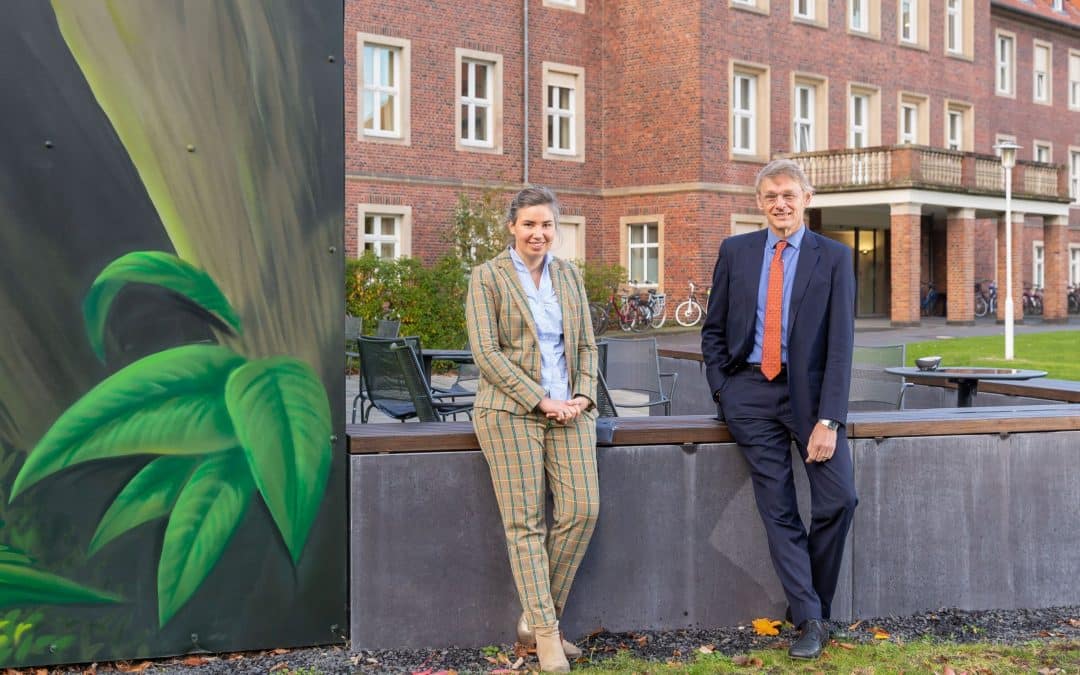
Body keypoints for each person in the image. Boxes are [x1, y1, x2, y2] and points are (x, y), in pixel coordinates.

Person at [701, 159, 856, 660]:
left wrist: (829, 420)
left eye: (789, 194)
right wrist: (724, 391)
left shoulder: (833, 258)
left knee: (839, 500)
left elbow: (840, 346)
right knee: (779, 511)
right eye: (770, 196)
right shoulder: (736, 251)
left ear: (807, 199)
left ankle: (810, 603)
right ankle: (811, 621)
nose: (780, 204)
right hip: (749, 396)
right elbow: (714, 329)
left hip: (811, 399)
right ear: (759, 202)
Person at [466, 186, 599, 673]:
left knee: (583, 510)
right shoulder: (487, 277)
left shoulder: (568, 275)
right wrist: (538, 399)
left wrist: (582, 396)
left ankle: (539, 616)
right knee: (525, 524)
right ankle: (547, 635)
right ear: (512, 227)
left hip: (569, 410)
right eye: (529, 224)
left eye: (546, 225)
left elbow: (586, 344)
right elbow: (487, 353)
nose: (538, 233)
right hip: (510, 412)